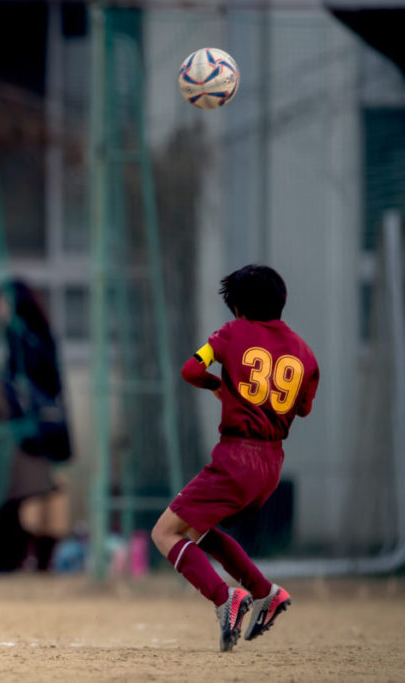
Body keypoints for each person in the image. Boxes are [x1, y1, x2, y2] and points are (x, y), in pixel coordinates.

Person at [150, 265, 319, 652]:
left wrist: (219, 386)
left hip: (236, 457)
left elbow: (191, 369)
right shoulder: (305, 353)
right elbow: (303, 408)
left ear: (238, 307)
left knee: (164, 533)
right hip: (271, 464)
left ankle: (224, 597)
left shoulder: (231, 333)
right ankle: (264, 592)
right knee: (197, 530)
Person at [0, 281, 71, 572]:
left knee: (22, 497)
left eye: (1, 303)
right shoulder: (38, 333)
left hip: (31, 432)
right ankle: (17, 560)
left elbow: (28, 385)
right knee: (22, 499)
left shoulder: (23, 337)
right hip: (39, 431)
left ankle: (10, 561)